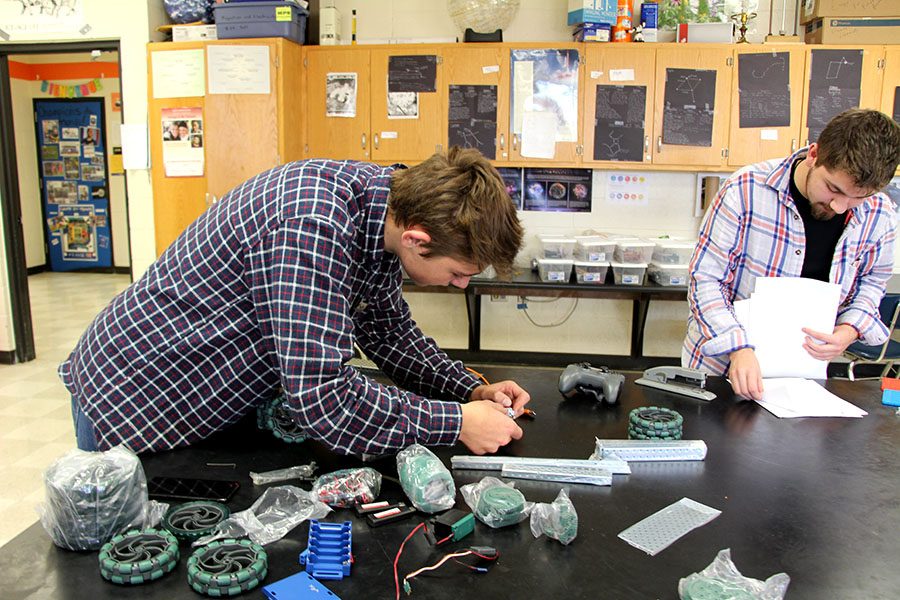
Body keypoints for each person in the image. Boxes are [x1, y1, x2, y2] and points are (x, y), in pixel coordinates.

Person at [60, 147, 529, 457]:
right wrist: (456, 423)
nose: (463, 286)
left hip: (207, 392)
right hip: (140, 394)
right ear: (417, 239)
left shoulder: (385, 208)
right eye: (458, 273)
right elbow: (322, 399)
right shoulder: (312, 226)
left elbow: (388, 331)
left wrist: (468, 390)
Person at [683, 109, 900, 400]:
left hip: (803, 378)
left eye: (858, 198)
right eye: (832, 189)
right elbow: (705, 279)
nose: (839, 206)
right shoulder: (746, 189)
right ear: (814, 154)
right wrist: (738, 347)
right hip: (720, 370)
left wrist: (849, 330)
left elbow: (872, 283)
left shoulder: (880, 213)